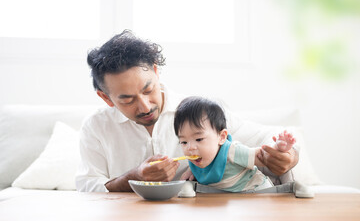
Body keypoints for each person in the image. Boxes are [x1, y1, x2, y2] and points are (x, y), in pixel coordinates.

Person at [76, 30, 299, 192]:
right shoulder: (96, 127)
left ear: (155, 71)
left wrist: (288, 156)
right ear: (105, 98)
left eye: (148, 89)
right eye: (127, 100)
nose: (144, 106)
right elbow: (87, 186)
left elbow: (268, 138)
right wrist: (134, 177)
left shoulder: (199, 112)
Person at [174, 96, 296, 192]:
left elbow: (264, 156)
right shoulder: (198, 158)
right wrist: (190, 172)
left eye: (199, 139)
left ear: (222, 137)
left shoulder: (232, 151)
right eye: (184, 142)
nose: (190, 148)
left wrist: (279, 148)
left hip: (257, 192)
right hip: (231, 200)